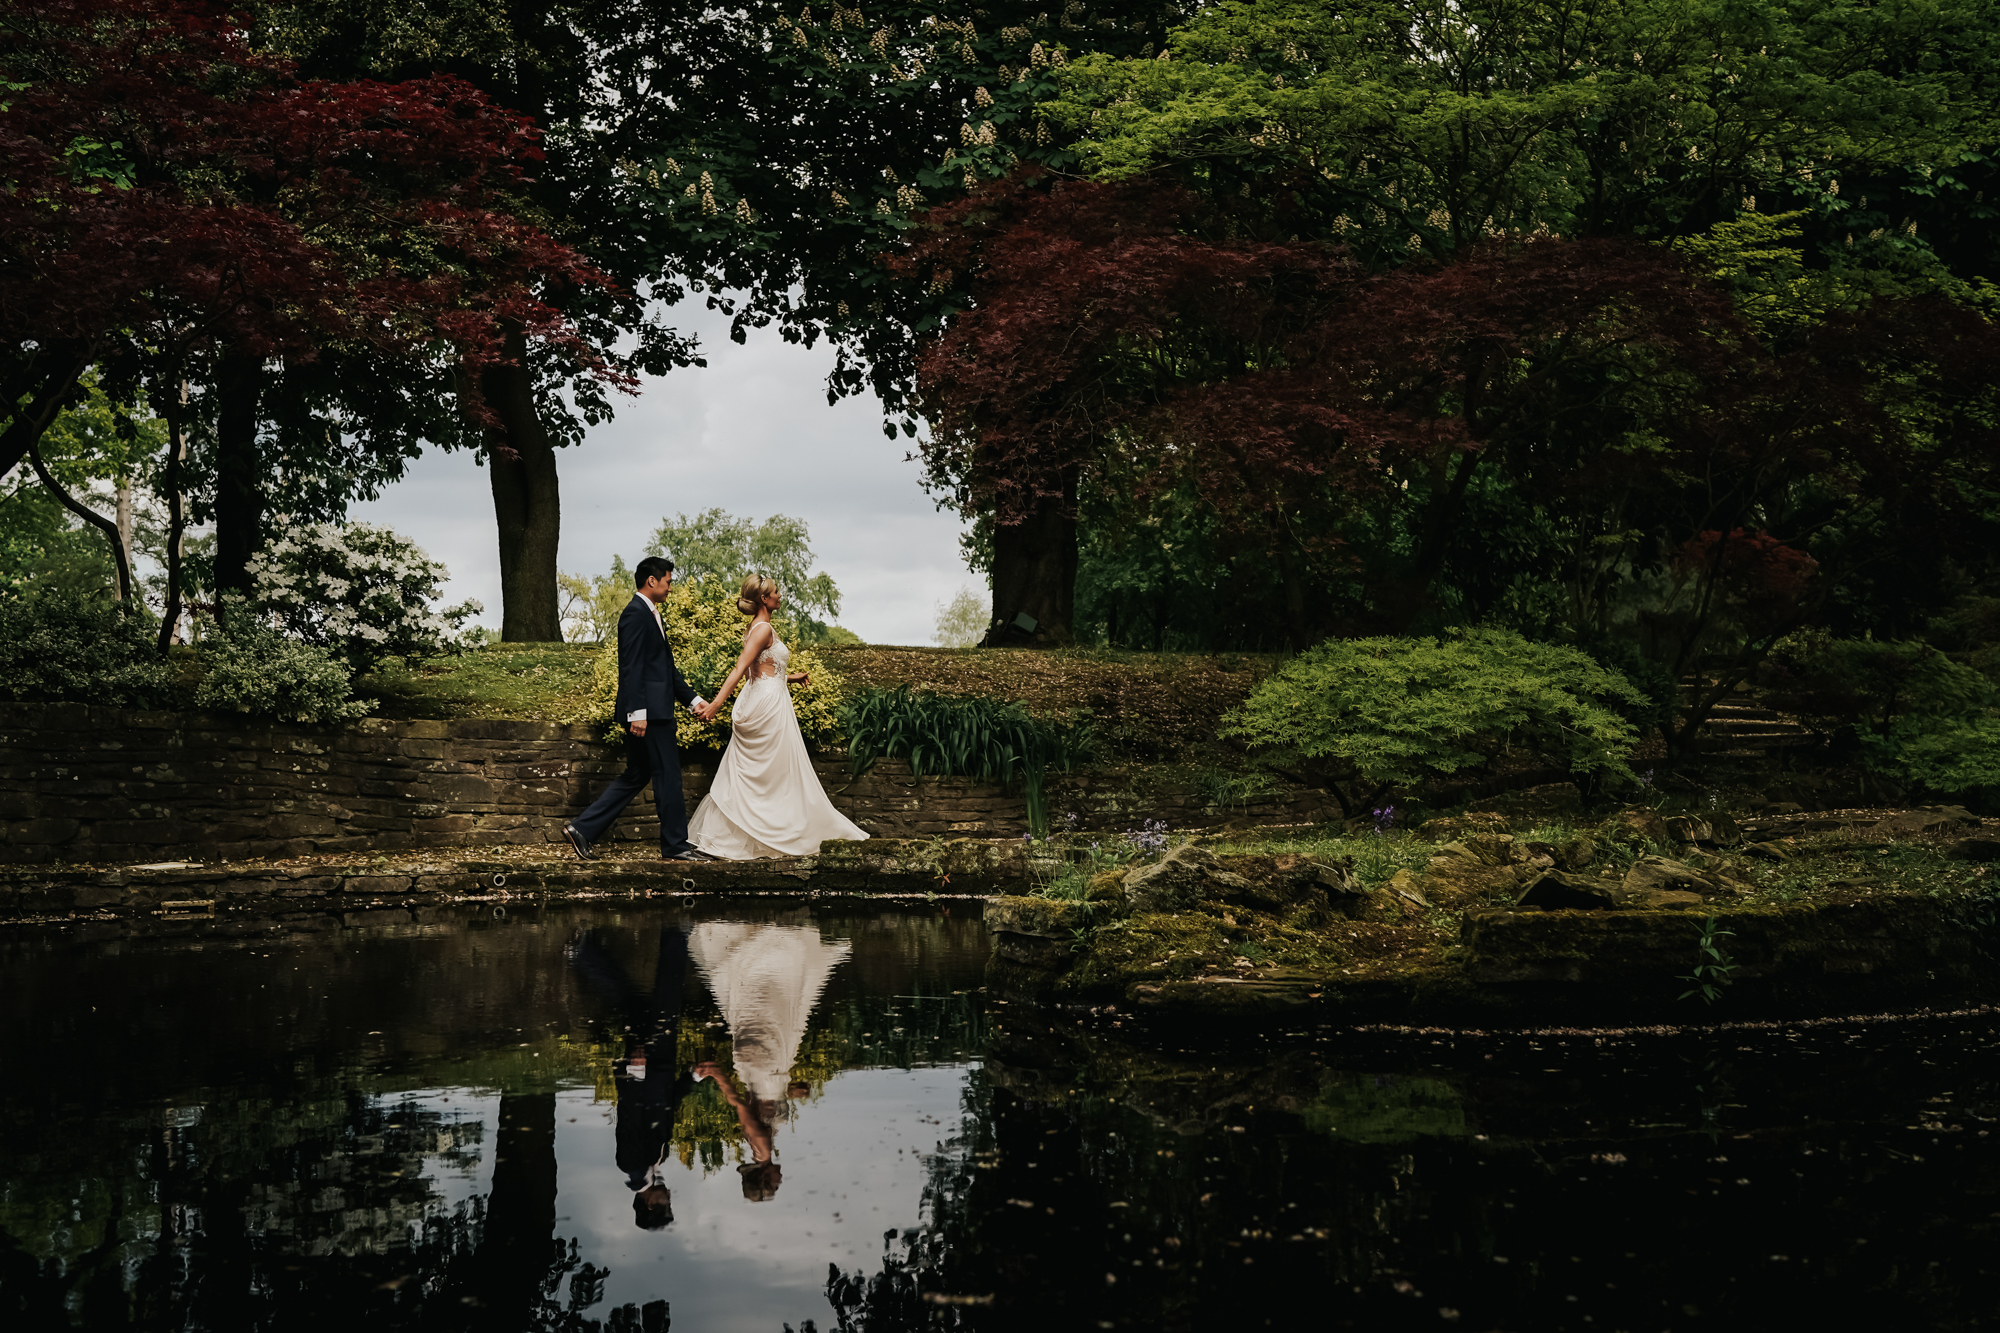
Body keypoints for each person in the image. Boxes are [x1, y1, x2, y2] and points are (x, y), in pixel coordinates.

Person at [687, 574, 869, 859]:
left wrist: (792, 677)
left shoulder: (759, 627)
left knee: (770, 775)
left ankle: (767, 828)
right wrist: (715, 704)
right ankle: (772, 831)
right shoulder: (762, 629)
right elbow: (740, 669)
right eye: (775, 591)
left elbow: (762, 669)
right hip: (768, 707)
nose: (780, 595)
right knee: (773, 775)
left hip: (766, 696)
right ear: (764, 599)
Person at [686, 920, 851, 1203]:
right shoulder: (761, 1146)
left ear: (764, 1177)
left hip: (764, 1062)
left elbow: (741, 1104)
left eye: (775, 1185)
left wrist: (716, 1073)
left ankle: (767, 948)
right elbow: (759, 1102)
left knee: (768, 1004)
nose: (781, 1180)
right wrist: (788, 1092)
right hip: (761, 1068)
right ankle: (759, 949)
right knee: (771, 1006)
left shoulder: (761, 1147)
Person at [563, 556, 713, 862]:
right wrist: (638, 713)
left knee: (636, 775)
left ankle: (583, 829)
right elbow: (630, 667)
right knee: (668, 776)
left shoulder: (650, 614)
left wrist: (694, 700)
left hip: (653, 711)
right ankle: (676, 846)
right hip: (651, 715)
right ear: (652, 581)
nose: (671, 587)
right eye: (669, 581)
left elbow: (664, 669)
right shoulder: (634, 614)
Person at [566, 924, 699, 1230]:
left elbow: (629, 1115)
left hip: (646, 1068)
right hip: (660, 1069)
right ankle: (582, 953)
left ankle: (676, 934)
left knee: (668, 998)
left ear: (650, 1203)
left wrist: (635, 1073)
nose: (669, 1197)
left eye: (666, 1204)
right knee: (632, 1003)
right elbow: (667, 1108)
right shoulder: (655, 1162)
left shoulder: (632, 1163)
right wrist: (692, 1077)